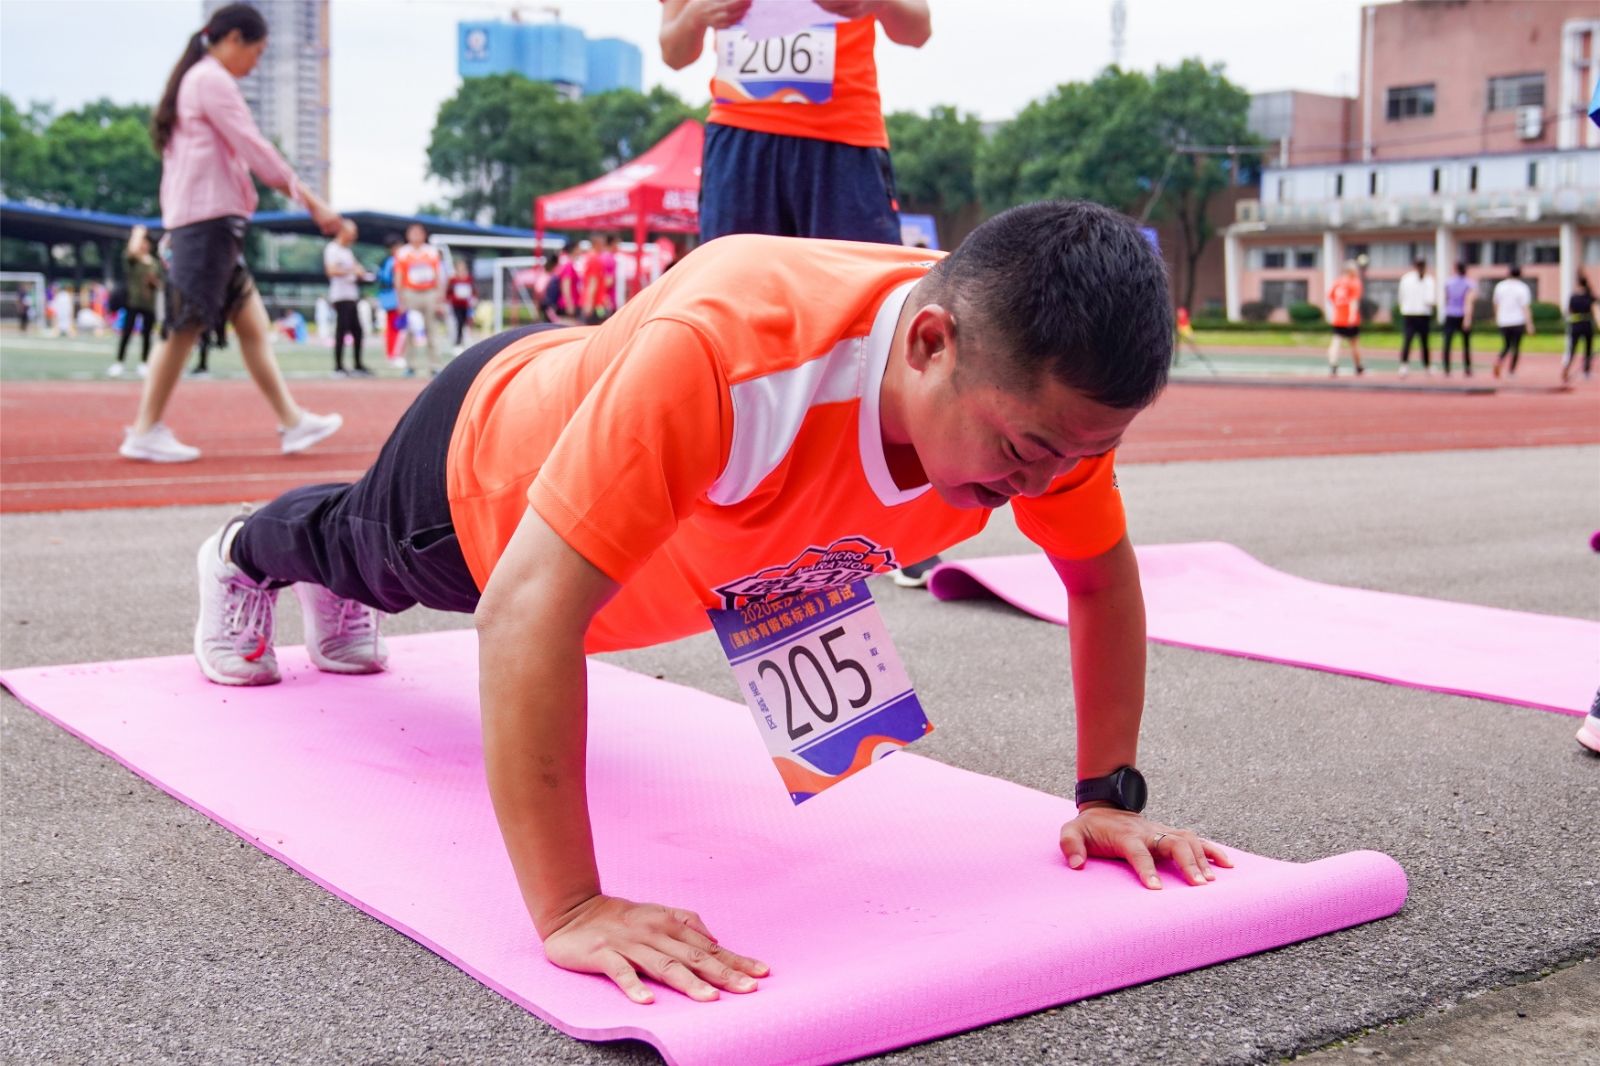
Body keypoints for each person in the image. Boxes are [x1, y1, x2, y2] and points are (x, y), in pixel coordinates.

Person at [189, 200, 1231, 1002]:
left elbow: (1097, 574)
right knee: (355, 546)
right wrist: (573, 907)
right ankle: (245, 551)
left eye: (1082, 457)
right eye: (1026, 455)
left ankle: (323, 580)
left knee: (368, 558)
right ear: (927, 345)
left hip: (646, 482)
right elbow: (522, 611)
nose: (1047, 484)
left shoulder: (1040, 404)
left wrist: (1105, 795)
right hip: (483, 488)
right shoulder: (738, 350)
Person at [661, 0, 939, 586]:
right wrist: (696, 18)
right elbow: (673, 48)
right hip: (741, 140)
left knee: (881, 319)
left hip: (844, 140)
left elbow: (918, 29)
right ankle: (729, 523)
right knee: (729, 318)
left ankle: (903, 531)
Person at [120, 3, 343, 463]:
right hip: (206, 224)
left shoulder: (197, 80)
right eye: (257, 53)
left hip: (211, 223)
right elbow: (254, 147)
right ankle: (144, 430)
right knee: (185, 325)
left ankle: (292, 421)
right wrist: (312, 201)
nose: (255, 65)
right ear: (234, 39)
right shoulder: (210, 80)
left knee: (252, 325)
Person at [109, 226, 164, 378]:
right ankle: (119, 362)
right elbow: (132, 251)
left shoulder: (154, 263)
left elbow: (161, 283)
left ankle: (144, 363)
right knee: (127, 333)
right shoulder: (134, 260)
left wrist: (155, 282)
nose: (144, 245)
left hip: (149, 303)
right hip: (132, 302)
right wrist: (138, 234)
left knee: (147, 335)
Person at [395, 222, 445, 376]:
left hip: (429, 293)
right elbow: (398, 277)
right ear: (408, 235)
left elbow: (439, 275)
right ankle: (410, 365)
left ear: (424, 235)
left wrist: (439, 298)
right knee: (410, 330)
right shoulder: (402, 253)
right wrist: (401, 299)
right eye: (413, 232)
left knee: (432, 330)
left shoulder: (431, 252)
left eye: (419, 232)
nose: (416, 235)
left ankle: (435, 365)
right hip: (411, 293)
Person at [324, 219, 373, 376]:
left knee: (357, 331)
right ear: (342, 232)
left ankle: (358, 365)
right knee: (341, 331)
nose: (354, 237)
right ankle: (338, 367)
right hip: (340, 296)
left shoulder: (347, 251)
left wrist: (361, 274)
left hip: (352, 295)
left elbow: (356, 269)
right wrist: (352, 271)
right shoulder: (333, 249)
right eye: (352, 233)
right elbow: (331, 271)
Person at [1492, 264, 1533, 379]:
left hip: (1503, 320)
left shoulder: (1500, 286)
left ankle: (1499, 359)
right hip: (1517, 320)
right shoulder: (1522, 287)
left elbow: (1496, 304)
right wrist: (1529, 324)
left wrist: (1497, 317)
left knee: (1506, 345)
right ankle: (1511, 371)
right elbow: (1525, 307)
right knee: (1516, 347)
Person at [1325, 260, 1365, 377]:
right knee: (1354, 343)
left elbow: (1330, 297)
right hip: (1349, 318)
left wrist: (1338, 308)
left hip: (1338, 316)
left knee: (1336, 341)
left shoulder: (1337, 282)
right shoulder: (1354, 282)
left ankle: (1333, 365)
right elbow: (1354, 300)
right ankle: (1358, 366)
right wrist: (1351, 316)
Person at [1395, 258, 1434, 377]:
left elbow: (1430, 299)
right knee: (1411, 341)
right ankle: (1406, 366)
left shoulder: (1427, 280)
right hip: (1414, 313)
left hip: (1418, 314)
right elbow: (1430, 300)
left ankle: (1423, 366)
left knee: (1420, 342)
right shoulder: (1411, 279)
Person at [1439, 262, 1475, 377]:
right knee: (1466, 344)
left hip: (1450, 314)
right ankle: (1467, 368)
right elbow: (1468, 302)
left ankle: (1446, 368)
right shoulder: (1469, 283)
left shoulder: (1448, 282)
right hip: (1462, 315)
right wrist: (1467, 318)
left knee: (1447, 343)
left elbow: (1446, 299)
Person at [375, 234, 405, 367]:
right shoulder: (394, 262)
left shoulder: (386, 261)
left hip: (387, 297)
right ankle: (394, 355)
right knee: (396, 328)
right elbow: (392, 281)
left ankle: (391, 354)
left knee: (392, 327)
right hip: (394, 298)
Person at [1562, 274, 1596, 384]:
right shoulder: (1589, 296)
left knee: (1572, 349)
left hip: (1576, 324)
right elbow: (1596, 308)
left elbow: (1568, 311)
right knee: (1588, 349)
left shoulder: (1573, 297)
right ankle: (1586, 371)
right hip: (1587, 324)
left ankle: (1567, 367)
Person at [447, 257, 476, 350]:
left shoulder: (469, 279)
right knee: (458, 322)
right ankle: (457, 342)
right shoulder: (453, 280)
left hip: (466, 305)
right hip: (456, 305)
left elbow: (473, 291)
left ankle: (465, 340)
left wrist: (473, 299)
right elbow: (448, 292)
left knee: (466, 322)